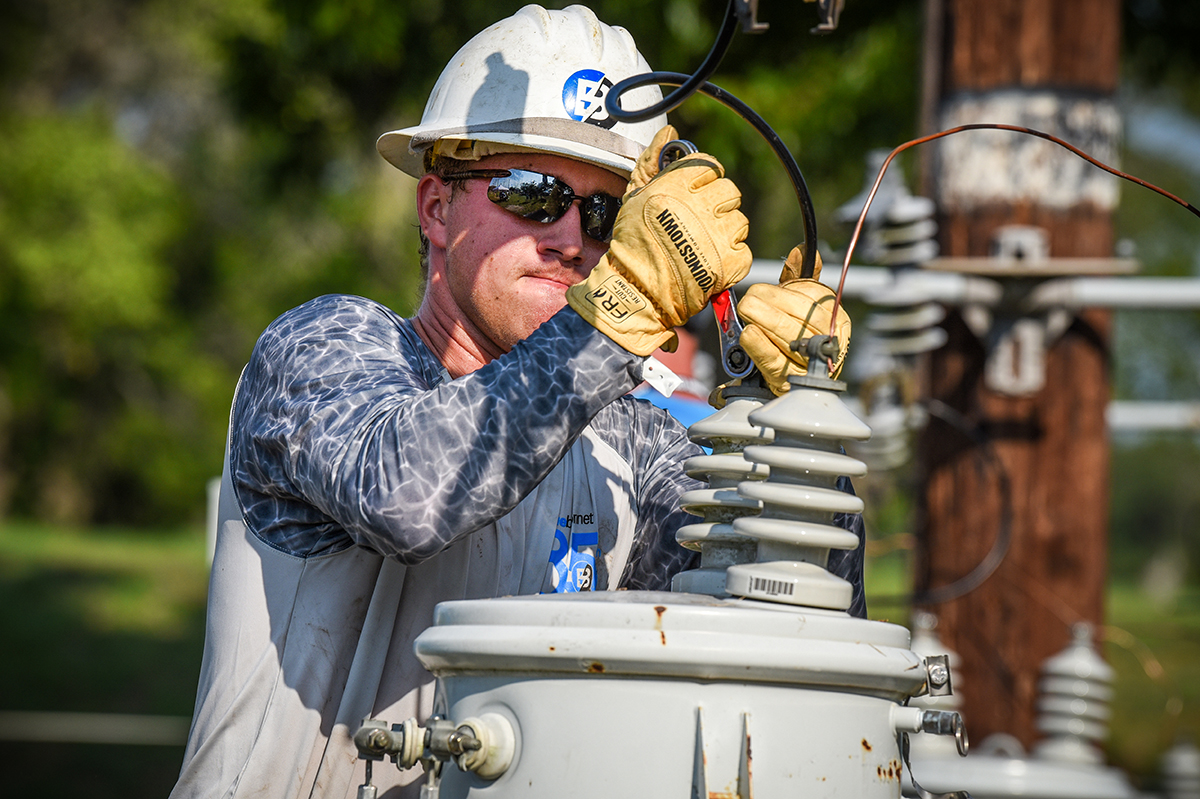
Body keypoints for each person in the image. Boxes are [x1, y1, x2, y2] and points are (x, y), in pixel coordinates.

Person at [171, 5, 862, 798]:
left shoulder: (628, 443)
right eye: (534, 193)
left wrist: (796, 437)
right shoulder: (323, 348)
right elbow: (408, 497)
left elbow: (792, 638)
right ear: (435, 207)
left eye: (608, 214)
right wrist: (622, 311)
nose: (572, 237)